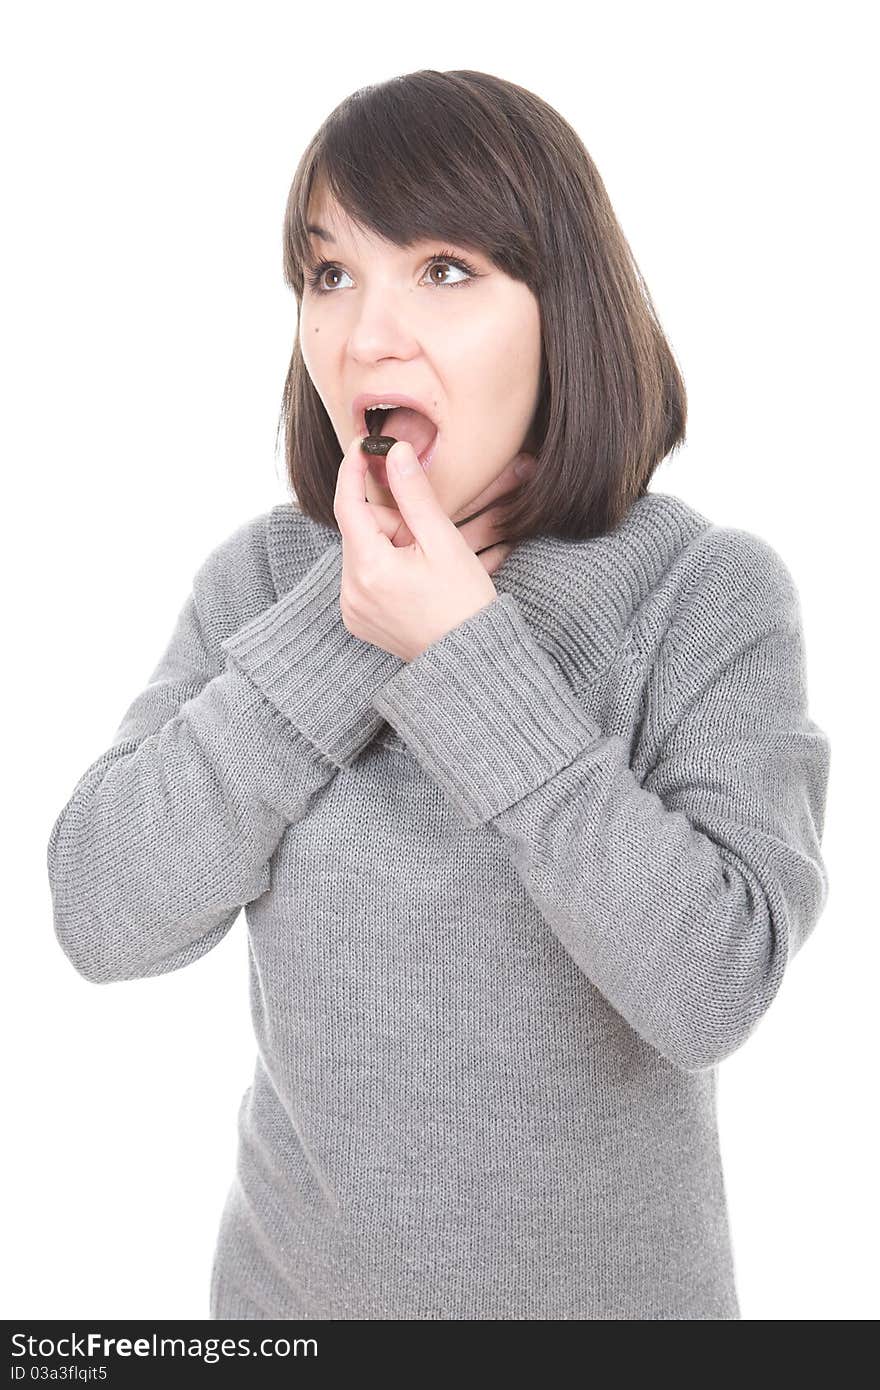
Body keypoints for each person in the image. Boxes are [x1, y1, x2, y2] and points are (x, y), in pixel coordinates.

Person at [47, 69, 831, 1320]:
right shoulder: (261, 578)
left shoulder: (703, 593)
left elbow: (710, 987)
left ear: (559, 309)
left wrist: (464, 649)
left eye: (446, 270)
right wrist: (344, 620)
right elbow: (102, 911)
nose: (366, 337)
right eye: (330, 274)